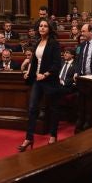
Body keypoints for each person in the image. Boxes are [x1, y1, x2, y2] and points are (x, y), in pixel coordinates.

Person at [18, 18, 61, 151]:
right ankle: (29, 138)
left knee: (53, 109)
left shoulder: (54, 43)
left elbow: (57, 64)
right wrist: (29, 73)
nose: (42, 28)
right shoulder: (37, 43)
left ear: (49, 29)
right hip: (37, 80)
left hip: (50, 80)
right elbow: (35, 62)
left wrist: (46, 74)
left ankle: (53, 135)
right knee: (32, 109)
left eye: (45, 26)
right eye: (40, 26)